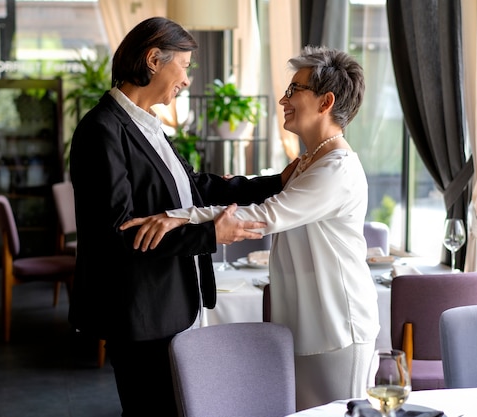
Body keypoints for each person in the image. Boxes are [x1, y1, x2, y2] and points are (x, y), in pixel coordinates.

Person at [120, 45, 380, 410]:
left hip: (337, 325)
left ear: (326, 102)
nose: (283, 99)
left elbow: (264, 215)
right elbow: (261, 192)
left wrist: (179, 216)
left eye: (295, 90)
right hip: (304, 325)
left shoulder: (336, 168)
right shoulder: (308, 161)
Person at [69, 17, 294, 417]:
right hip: (140, 313)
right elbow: (119, 235)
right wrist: (211, 234)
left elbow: (197, 188)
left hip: (171, 305)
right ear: (154, 59)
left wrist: (273, 182)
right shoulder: (101, 130)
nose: (187, 80)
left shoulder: (148, 124)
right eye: (185, 66)